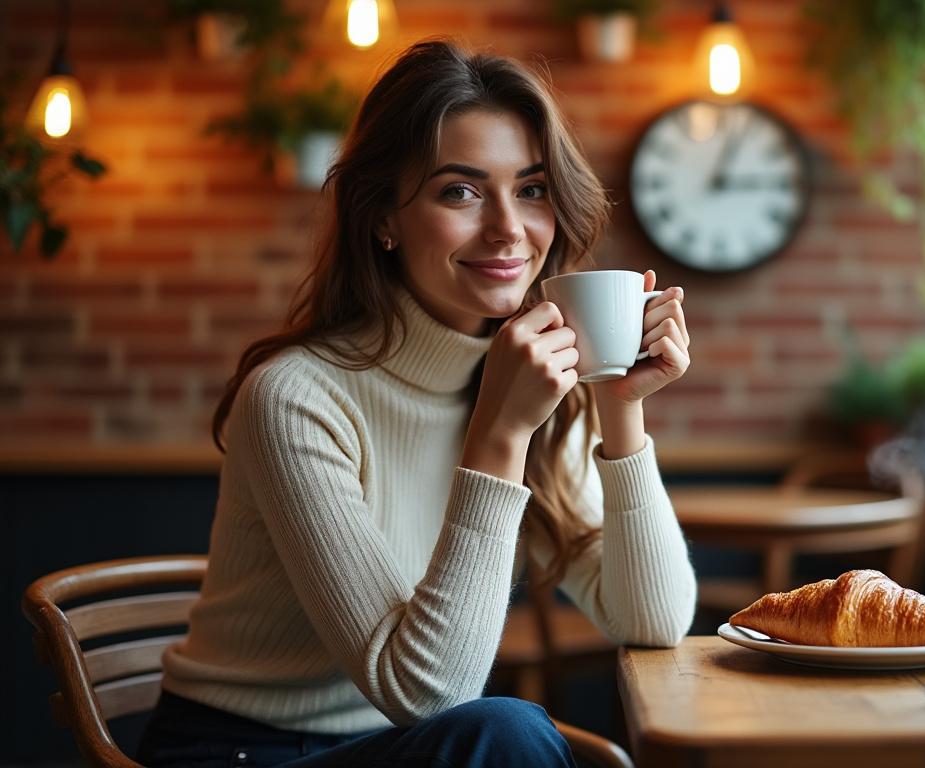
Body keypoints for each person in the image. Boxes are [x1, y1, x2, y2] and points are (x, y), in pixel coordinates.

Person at [137, 39, 697, 768]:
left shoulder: (537, 387)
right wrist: (499, 435)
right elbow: (428, 696)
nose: (508, 228)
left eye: (531, 189)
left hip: (397, 747)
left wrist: (620, 405)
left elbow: (653, 622)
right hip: (241, 752)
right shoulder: (296, 397)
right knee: (506, 734)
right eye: (460, 192)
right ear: (383, 218)